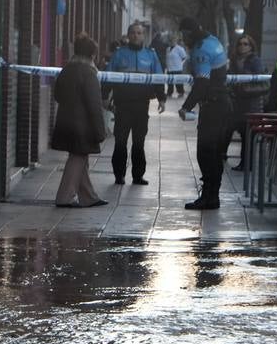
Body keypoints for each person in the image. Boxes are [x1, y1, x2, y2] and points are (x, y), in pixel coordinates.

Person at [103, 22, 166, 185]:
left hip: (141, 105)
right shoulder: (119, 54)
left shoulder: (151, 55)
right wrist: (104, 96)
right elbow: (109, 75)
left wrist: (162, 98)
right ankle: (119, 175)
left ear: (143, 36)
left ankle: (138, 175)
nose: (136, 36)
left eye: (139, 33)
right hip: (122, 105)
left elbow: (158, 77)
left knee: (139, 142)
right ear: (128, 35)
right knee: (120, 141)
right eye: (133, 33)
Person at [179, 17, 232, 210]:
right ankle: (212, 196)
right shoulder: (213, 40)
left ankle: (209, 196)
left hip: (213, 106)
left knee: (205, 153)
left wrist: (186, 106)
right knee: (214, 153)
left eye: (183, 34)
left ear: (188, 33)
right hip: (221, 104)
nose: (183, 38)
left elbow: (201, 83)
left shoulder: (201, 49)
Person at [51, 32, 108, 208]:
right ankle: (65, 197)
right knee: (77, 157)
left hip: (65, 121)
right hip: (81, 126)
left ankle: (88, 196)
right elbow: (94, 105)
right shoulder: (89, 73)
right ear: (92, 55)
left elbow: (58, 95)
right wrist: (100, 130)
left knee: (80, 157)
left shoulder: (66, 70)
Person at [228, 33, 267, 171]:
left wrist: (244, 87)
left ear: (251, 46)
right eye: (240, 43)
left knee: (247, 135)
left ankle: (247, 163)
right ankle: (234, 159)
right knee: (232, 130)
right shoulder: (233, 60)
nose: (242, 46)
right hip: (237, 102)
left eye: (246, 44)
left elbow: (260, 80)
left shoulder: (255, 61)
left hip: (251, 103)